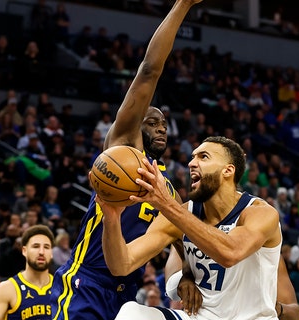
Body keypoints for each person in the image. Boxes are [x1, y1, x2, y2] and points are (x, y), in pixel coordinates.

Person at [50, 0, 199, 319]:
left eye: (163, 124)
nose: (160, 127)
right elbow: (149, 70)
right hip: (86, 283)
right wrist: (183, 5)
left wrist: (186, 271)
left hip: (127, 295)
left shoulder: (169, 192)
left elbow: (180, 239)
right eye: (151, 121)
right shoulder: (121, 149)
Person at [100, 136, 283, 319]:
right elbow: (122, 265)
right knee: (132, 313)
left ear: (228, 170)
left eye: (203, 157)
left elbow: (230, 252)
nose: (191, 163)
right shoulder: (180, 213)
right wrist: (111, 218)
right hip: (201, 316)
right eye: (193, 157)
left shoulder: (259, 213)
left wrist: (166, 204)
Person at [0, 225, 54, 320]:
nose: (41, 252)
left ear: (51, 253)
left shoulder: (63, 287)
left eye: (46, 247)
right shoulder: (7, 288)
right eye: (36, 246)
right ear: (24, 251)